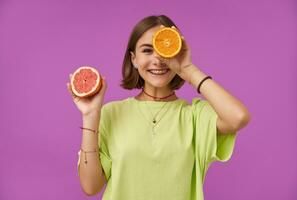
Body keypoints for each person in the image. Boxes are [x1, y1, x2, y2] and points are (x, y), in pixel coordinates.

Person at [66, 15, 250, 200]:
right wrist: (90, 115)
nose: (158, 59)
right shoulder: (110, 113)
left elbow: (238, 117)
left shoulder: (195, 116)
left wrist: (188, 69)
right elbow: (90, 186)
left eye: (165, 50)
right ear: (134, 59)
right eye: (147, 50)